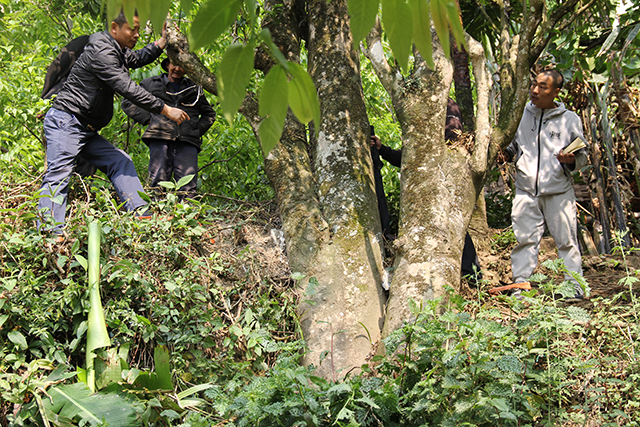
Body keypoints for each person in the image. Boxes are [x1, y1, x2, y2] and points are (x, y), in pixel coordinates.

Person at [38, 10, 190, 237]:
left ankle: (142, 216)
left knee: (121, 161)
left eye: (139, 30)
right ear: (114, 28)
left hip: (85, 130)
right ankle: (50, 235)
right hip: (67, 122)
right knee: (59, 174)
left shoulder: (116, 50)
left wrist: (161, 43)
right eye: (133, 29)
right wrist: (166, 109)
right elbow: (127, 87)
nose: (137, 35)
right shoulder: (102, 51)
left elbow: (136, 58)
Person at [370, 98, 482, 282]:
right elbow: (411, 157)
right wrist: (383, 149)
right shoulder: (421, 110)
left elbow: (451, 145)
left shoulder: (446, 105)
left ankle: (472, 276)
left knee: (451, 222)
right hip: (424, 185)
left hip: (444, 180)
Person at [503, 69, 588, 300]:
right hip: (526, 190)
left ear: (556, 92)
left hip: (558, 192)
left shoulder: (569, 119)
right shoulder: (521, 114)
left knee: (566, 241)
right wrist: (505, 155)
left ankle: (574, 287)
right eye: (534, 84)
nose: (535, 90)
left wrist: (571, 160)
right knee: (524, 240)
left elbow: (582, 153)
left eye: (542, 87)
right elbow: (513, 146)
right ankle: (521, 286)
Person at [122, 57, 215, 198]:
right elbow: (128, 101)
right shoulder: (151, 84)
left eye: (182, 65)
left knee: (188, 185)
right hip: (159, 137)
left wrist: (195, 130)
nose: (177, 69)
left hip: (187, 141)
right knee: (158, 181)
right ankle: (156, 215)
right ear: (167, 65)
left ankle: (187, 216)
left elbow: (209, 114)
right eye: (174, 64)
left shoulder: (194, 88)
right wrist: (148, 120)